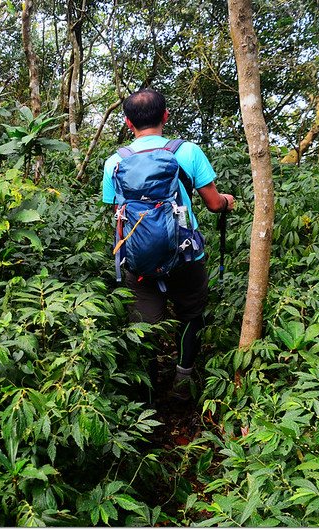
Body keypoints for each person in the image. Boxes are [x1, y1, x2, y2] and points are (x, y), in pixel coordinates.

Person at [101, 88, 235, 403]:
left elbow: (117, 212)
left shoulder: (114, 162)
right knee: (192, 316)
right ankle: (182, 379)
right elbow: (214, 204)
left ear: (127, 122)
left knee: (145, 327)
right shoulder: (187, 152)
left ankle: (147, 393)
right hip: (187, 253)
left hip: (138, 259)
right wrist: (228, 201)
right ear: (165, 116)